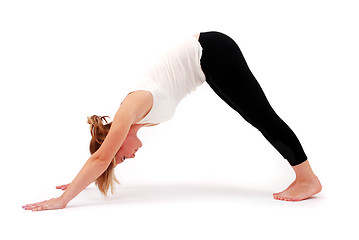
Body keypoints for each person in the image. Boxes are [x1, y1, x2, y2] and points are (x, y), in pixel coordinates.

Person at [23, 31, 322, 211]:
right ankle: (304, 177)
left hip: (211, 52)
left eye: (122, 157)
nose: (130, 156)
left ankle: (307, 180)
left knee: (262, 117)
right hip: (208, 63)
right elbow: (102, 158)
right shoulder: (136, 118)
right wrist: (77, 183)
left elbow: (101, 158)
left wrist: (62, 201)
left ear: (116, 141)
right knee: (257, 117)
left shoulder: (130, 108)